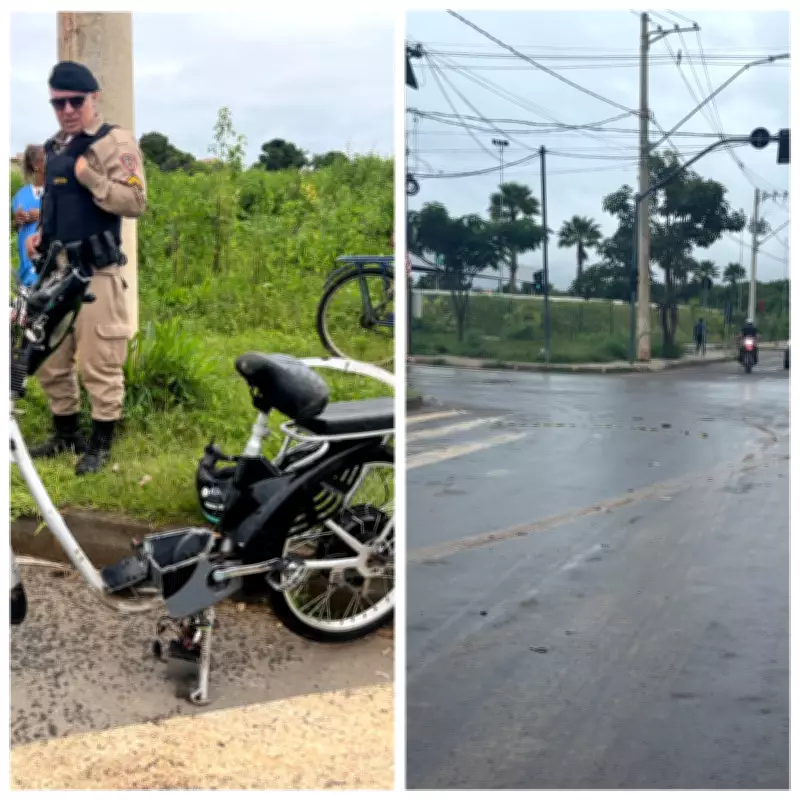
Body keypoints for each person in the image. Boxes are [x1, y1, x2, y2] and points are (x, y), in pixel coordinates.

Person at [25, 60, 147, 475]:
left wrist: (91, 178)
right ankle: (65, 436)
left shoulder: (114, 143)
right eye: (59, 103)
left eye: (76, 101)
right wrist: (39, 233)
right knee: (53, 358)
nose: (68, 110)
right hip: (56, 272)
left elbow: (135, 202)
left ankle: (100, 444)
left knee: (100, 361)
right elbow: (53, 204)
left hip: (96, 272)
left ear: (93, 97)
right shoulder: (54, 147)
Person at [11, 145, 45, 287]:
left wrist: (42, 215)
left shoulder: (56, 192)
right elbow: (16, 228)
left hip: (47, 267)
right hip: (25, 266)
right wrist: (17, 220)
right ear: (36, 164)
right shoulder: (21, 195)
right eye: (47, 158)